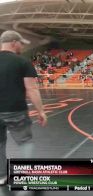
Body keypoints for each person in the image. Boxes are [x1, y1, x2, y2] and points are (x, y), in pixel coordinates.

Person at [0, 30, 47, 185]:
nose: (22, 46)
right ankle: (29, 176)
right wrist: (40, 111)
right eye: (20, 43)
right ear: (14, 42)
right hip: (15, 110)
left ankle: (2, 176)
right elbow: (32, 89)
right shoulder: (22, 62)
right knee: (25, 142)